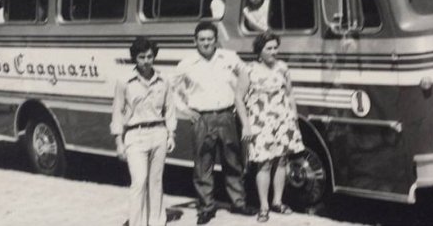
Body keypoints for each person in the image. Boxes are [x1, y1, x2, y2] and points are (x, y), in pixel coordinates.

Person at [173, 22, 257, 225]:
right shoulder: (186, 64)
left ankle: (238, 202)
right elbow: (172, 90)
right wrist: (185, 110)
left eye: (210, 39)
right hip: (202, 118)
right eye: (201, 39)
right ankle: (206, 207)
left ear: (216, 39)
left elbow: (246, 73)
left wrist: (241, 97)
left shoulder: (228, 57)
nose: (206, 43)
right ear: (195, 41)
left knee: (233, 161)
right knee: (203, 164)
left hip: (227, 115)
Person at [234, 31, 304, 223]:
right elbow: (239, 98)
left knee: (281, 161)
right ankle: (263, 206)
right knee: (264, 163)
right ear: (259, 51)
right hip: (260, 122)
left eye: (275, 47)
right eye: (269, 48)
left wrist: (294, 116)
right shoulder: (249, 70)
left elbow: (289, 93)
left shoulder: (282, 67)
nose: (274, 51)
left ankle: (277, 201)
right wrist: (246, 125)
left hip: (282, 120)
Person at [111, 37, 177, 226]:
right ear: (135, 58)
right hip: (135, 135)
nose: (146, 61)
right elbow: (117, 112)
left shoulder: (164, 80)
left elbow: (169, 109)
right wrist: (119, 142)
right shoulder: (124, 82)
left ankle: (156, 221)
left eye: (149, 56)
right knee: (139, 181)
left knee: (155, 182)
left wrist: (171, 134)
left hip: (159, 133)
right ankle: (137, 222)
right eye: (142, 57)